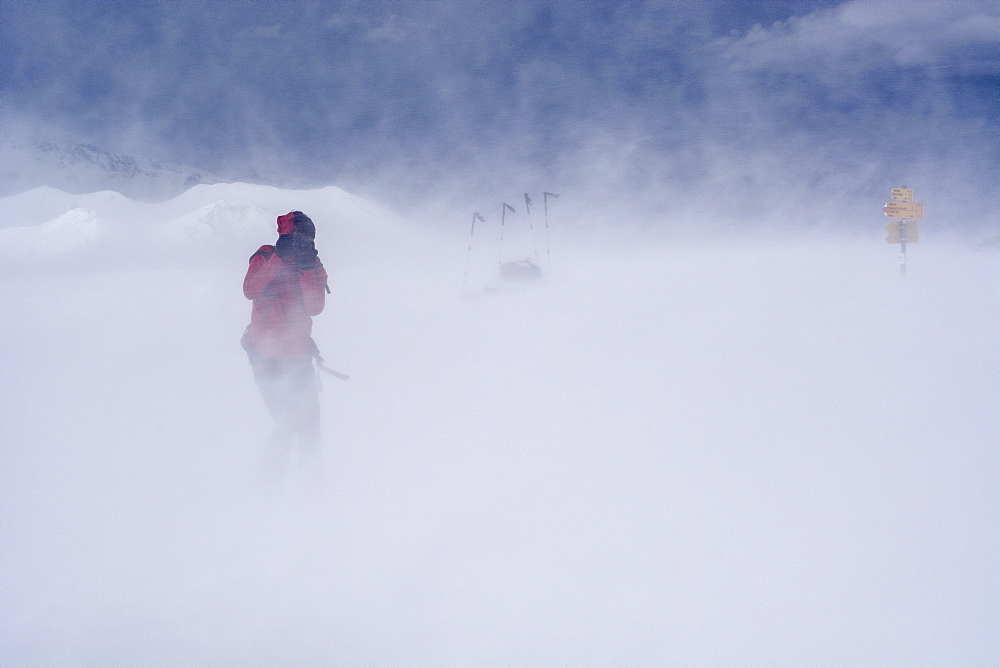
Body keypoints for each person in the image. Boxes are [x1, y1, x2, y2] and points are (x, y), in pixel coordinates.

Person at [243, 210, 329, 493]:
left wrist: (305, 267)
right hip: (265, 355)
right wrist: (280, 257)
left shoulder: (313, 264)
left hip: (298, 354)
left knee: (309, 422)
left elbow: (315, 306)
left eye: (308, 237)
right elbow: (250, 289)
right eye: (298, 236)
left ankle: (312, 486)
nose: (303, 241)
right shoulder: (265, 257)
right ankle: (269, 489)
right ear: (285, 236)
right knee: (288, 421)